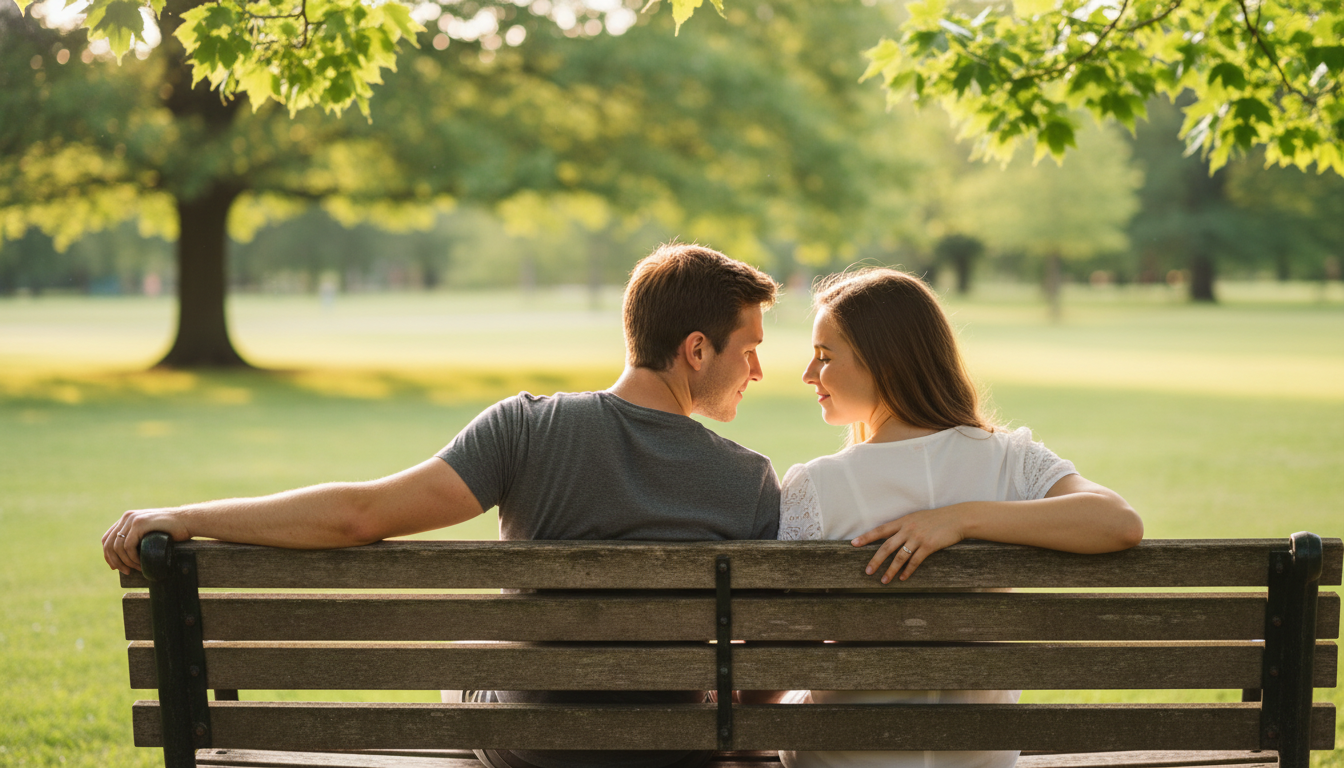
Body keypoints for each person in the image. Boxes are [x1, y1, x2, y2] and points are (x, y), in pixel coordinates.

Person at [101, 242, 784, 768]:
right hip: (669, 750)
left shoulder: (526, 427)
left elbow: (359, 516)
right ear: (696, 349)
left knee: (474, 651)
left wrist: (189, 519)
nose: (756, 370)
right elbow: (763, 673)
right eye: (750, 350)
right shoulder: (749, 481)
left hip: (529, 746)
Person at [775, 268, 1144, 768]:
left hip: (845, 756)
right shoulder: (1012, 461)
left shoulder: (813, 488)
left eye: (824, 357)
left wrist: (958, 519)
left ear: (884, 363)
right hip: (979, 755)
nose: (808, 374)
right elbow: (1116, 521)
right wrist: (970, 518)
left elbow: (772, 650)